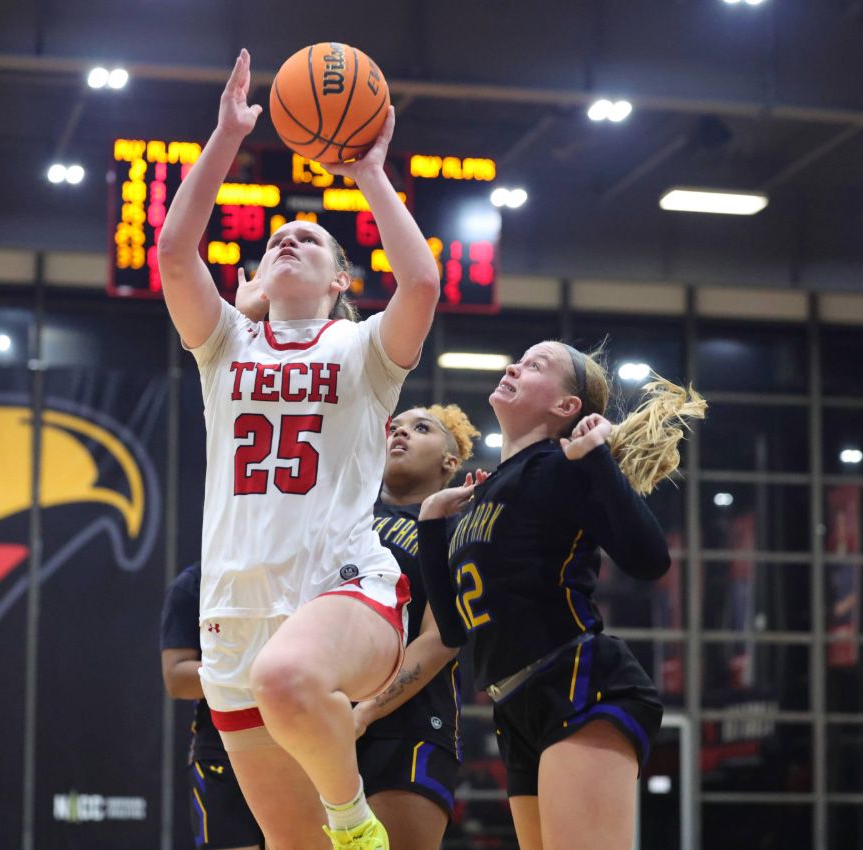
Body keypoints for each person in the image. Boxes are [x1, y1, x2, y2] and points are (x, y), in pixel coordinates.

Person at [157, 49, 440, 850]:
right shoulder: (225, 347)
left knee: (288, 677)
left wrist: (372, 175)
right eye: (279, 236)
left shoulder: (361, 350)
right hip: (231, 610)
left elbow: (419, 285)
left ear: (341, 279)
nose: (289, 240)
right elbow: (176, 254)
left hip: (342, 582)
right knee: (290, 844)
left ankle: (354, 819)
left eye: (310, 239)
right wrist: (224, 138)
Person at [417, 342, 705, 850]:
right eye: (519, 360)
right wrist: (433, 526)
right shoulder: (486, 491)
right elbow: (455, 630)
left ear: (567, 407)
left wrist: (596, 459)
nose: (513, 367)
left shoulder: (562, 464)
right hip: (514, 704)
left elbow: (650, 560)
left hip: (579, 682)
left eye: (535, 366)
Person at [353, 404, 480, 850]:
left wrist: (368, 709)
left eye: (420, 428)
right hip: (327, 717)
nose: (400, 434)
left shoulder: (455, 533)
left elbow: (443, 638)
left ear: (450, 461)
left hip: (408, 723)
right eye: (395, 427)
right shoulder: (342, 518)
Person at [161, 563, 263, 850]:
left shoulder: (291, 574)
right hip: (222, 753)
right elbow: (176, 678)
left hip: (292, 746)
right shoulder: (193, 584)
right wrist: (256, 674)